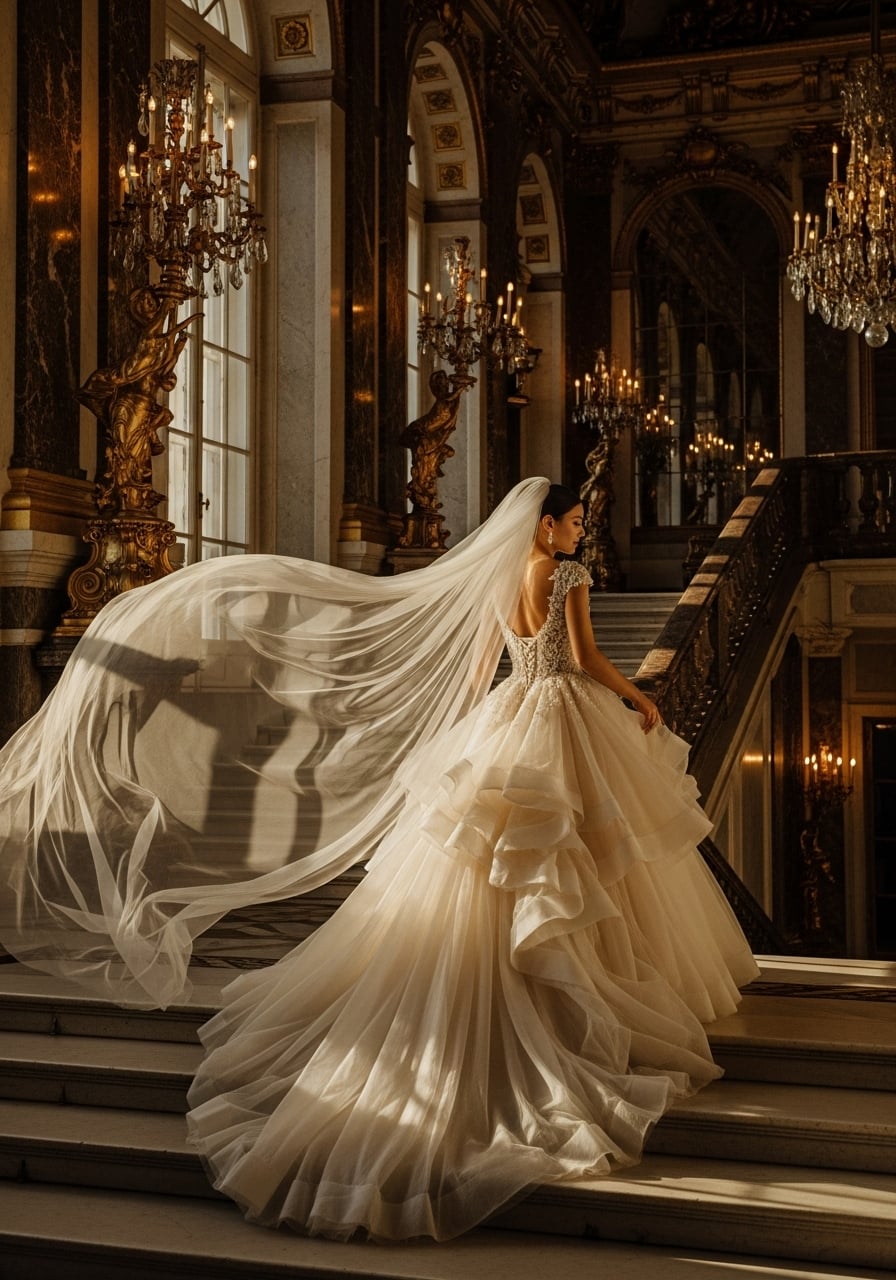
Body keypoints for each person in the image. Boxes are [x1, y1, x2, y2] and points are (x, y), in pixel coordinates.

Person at [0, 477, 758, 1242]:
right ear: (545, 526)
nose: (578, 533)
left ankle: (533, 971)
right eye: (573, 522)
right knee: (586, 852)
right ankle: (587, 985)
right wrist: (639, 698)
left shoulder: (500, 581)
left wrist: (462, 735)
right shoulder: (567, 576)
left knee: (506, 862)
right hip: (561, 713)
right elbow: (586, 658)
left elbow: (473, 674)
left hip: (508, 716)